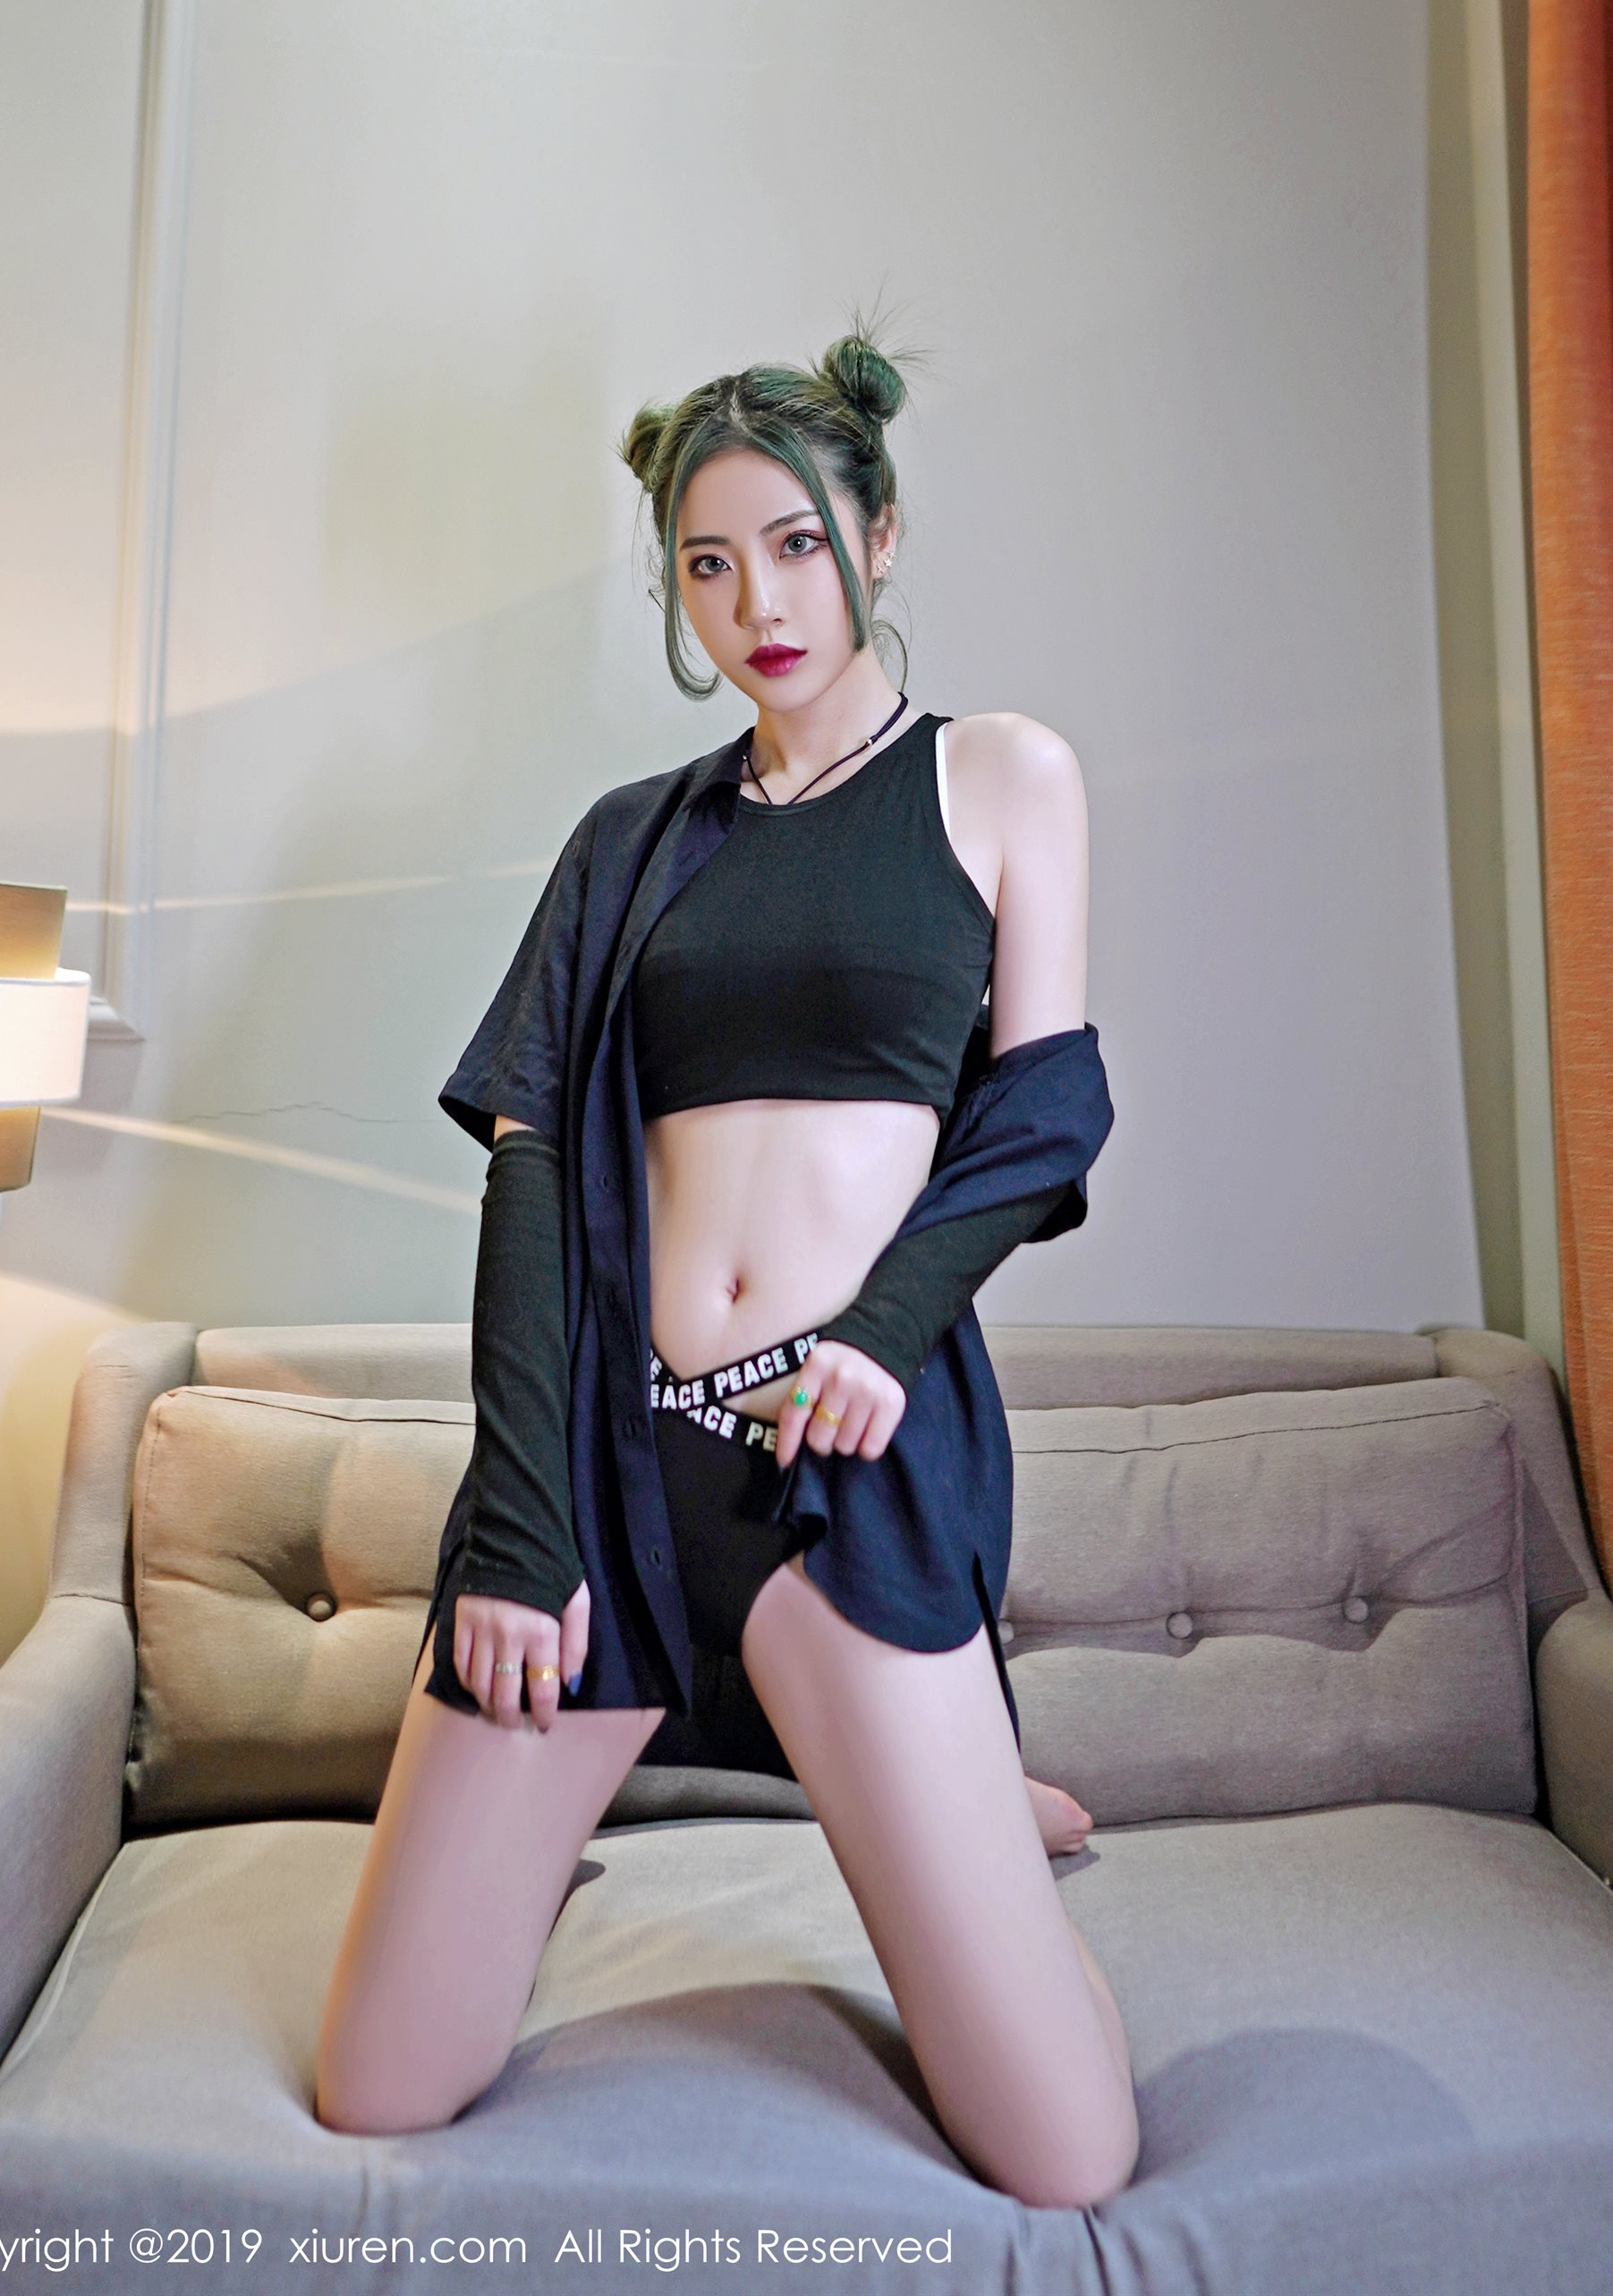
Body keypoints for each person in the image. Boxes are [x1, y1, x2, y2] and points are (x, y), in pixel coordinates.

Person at [315, 327, 1138, 2208]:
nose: (756, 603)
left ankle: (976, 1841)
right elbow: (532, 1174)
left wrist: (886, 1334)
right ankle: (771, 1813)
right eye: (707, 562)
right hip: (617, 1469)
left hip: (843, 1468)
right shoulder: (631, 844)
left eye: (793, 545)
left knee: (1068, 2155)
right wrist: (518, 1528)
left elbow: (1043, 1113)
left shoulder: (999, 778)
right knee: (378, 2084)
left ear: (878, 538)